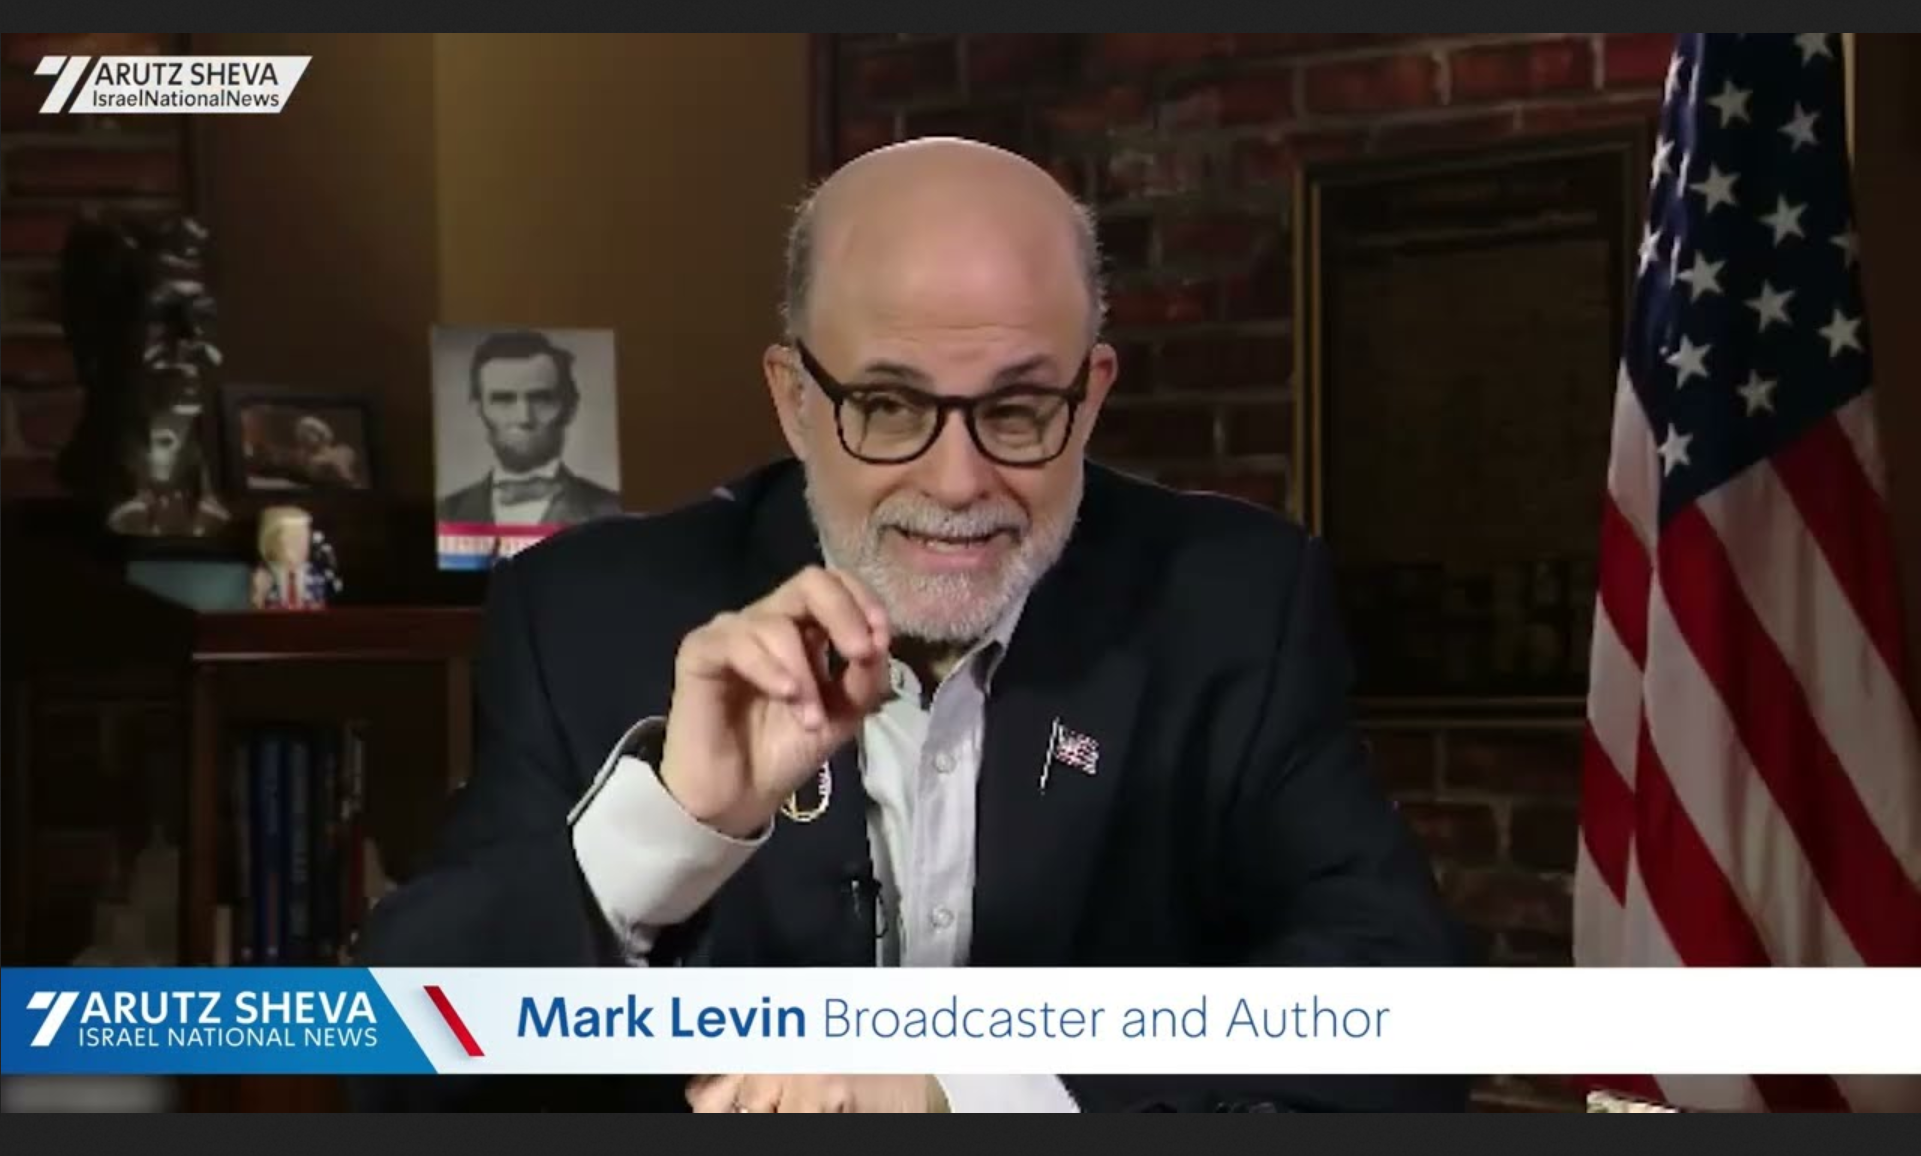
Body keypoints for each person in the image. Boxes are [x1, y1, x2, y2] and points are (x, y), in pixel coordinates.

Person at [358, 137, 1474, 1113]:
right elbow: (396, 1054)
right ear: (795, 399)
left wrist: (961, 1085)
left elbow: (1404, 1005)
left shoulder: (1233, 601)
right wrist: (673, 823)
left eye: (1018, 408)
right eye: (887, 405)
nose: (956, 482)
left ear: (1090, 394)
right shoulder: (589, 614)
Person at [435, 329, 622, 526]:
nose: (523, 418)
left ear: (570, 409)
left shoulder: (613, 511)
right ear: (479, 411)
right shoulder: (444, 513)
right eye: (503, 400)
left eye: (541, 399)